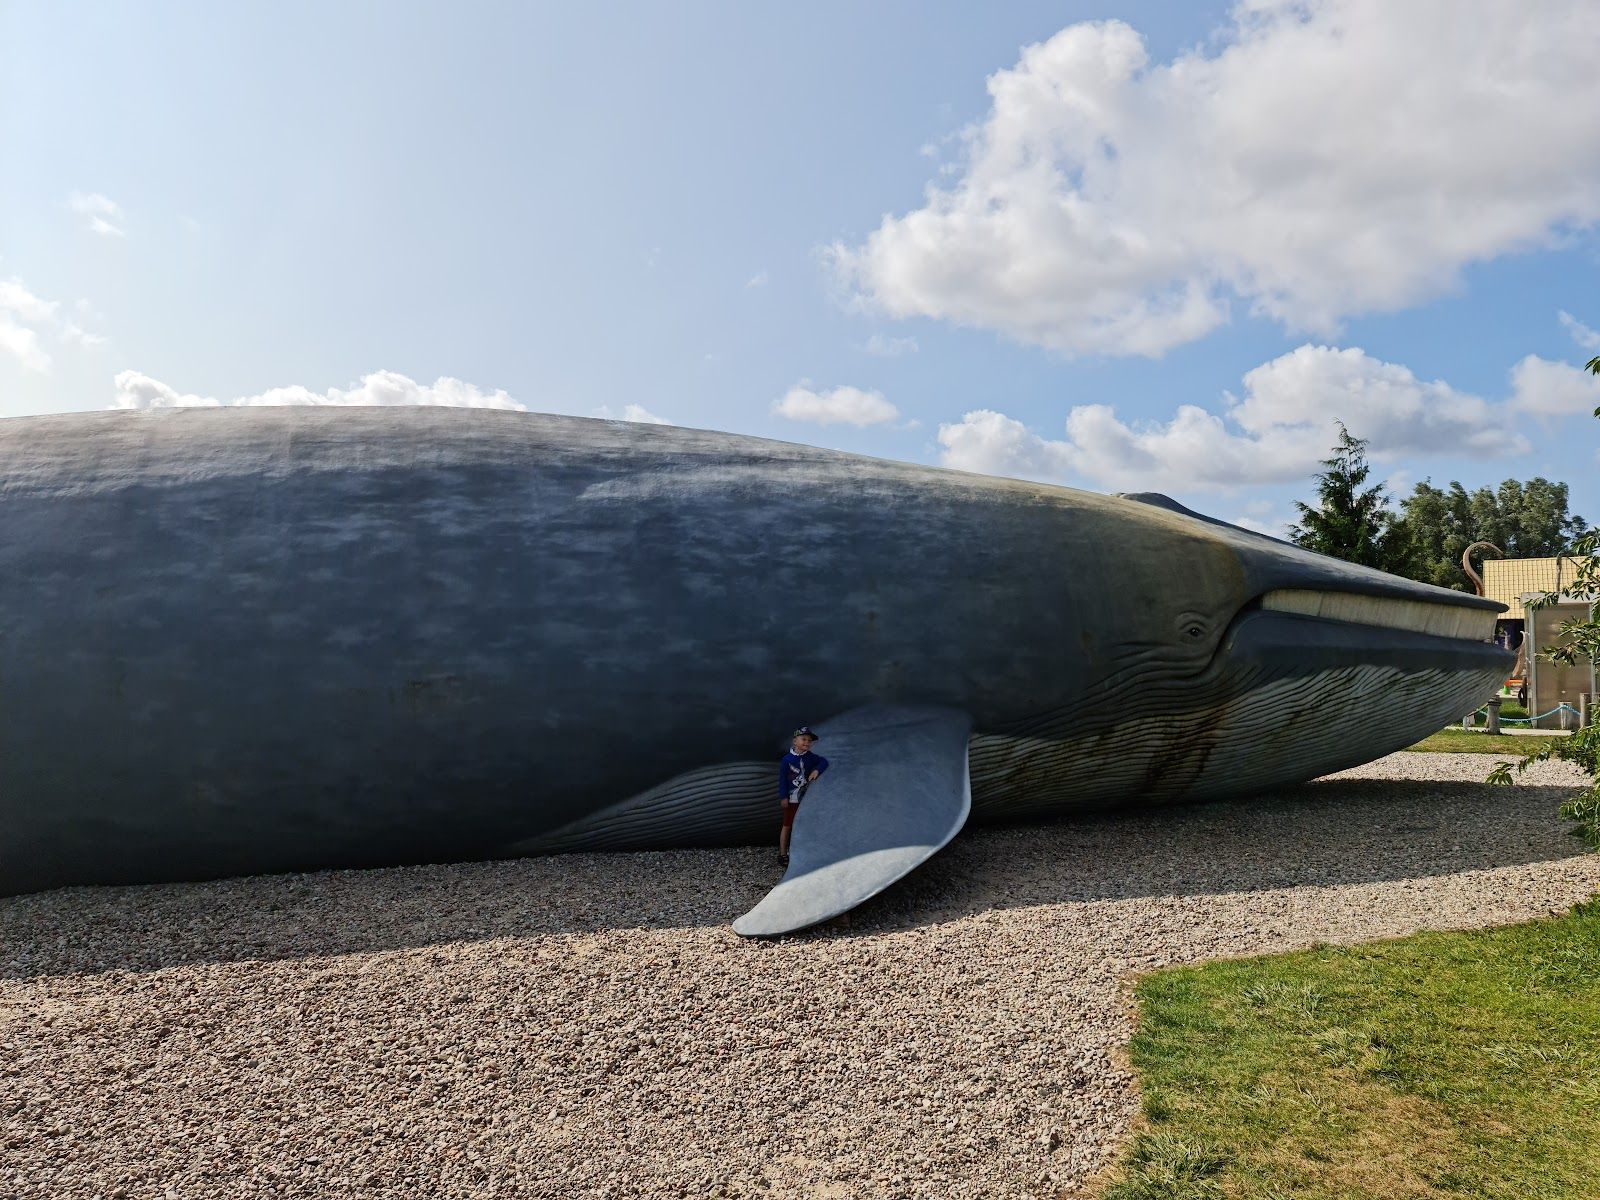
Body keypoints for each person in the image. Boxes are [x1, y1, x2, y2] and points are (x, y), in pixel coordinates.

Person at [777, 726, 828, 865]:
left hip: (805, 798)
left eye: (809, 741)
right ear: (795, 741)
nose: (807, 742)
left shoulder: (810, 757)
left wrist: (817, 770)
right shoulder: (787, 760)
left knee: (804, 823)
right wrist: (783, 797)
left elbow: (824, 761)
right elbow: (782, 779)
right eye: (804, 739)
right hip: (791, 799)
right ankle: (782, 853)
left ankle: (804, 850)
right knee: (787, 825)